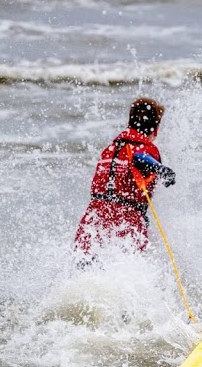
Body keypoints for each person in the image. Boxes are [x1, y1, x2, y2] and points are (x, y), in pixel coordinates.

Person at [74, 98, 175, 263]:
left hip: (92, 222)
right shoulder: (145, 148)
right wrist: (162, 170)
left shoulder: (110, 149)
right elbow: (139, 158)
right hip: (124, 222)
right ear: (155, 129)